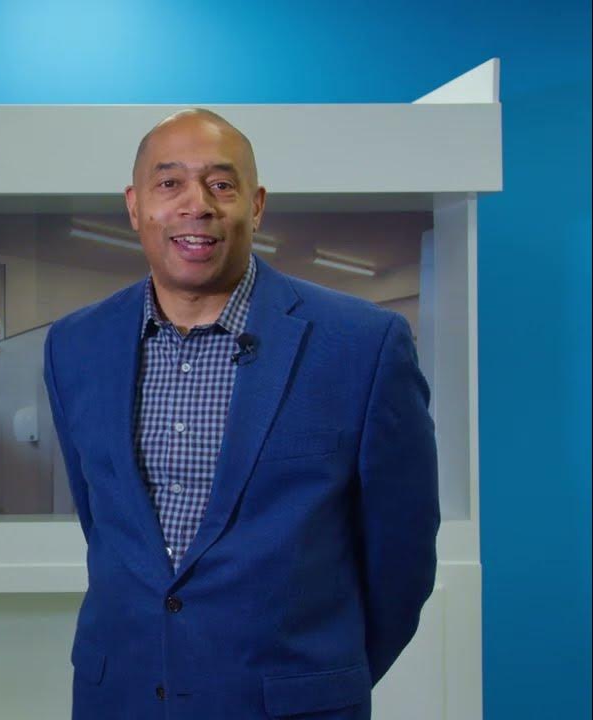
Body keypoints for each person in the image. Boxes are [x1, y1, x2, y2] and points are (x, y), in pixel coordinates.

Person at [43, 109, 439, 719]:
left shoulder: (363, 344)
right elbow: (100, 520)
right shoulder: (75, 344)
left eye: (221, 184)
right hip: (120, 696)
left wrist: (323, 678)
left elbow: (401, 559)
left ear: (255, 207)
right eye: (169, 182)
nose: (196, 205)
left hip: (290, 705)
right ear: (135, 205)